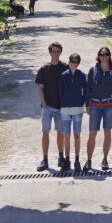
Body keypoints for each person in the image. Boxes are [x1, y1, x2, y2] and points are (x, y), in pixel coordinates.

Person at [83, 46, 112, 172]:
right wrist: (87, 105)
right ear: (98, 56)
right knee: (92, 133)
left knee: (107, 132)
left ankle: (105, 159)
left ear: (109, 56)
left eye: (106, 55)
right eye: (102, 54)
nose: (104, 57)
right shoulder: (93, 70)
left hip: (109, 106)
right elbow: (87, 89)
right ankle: (89, 160)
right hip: (95, 106)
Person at [35, 41, 69, 171]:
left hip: (61, 107)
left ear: (60, 52)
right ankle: (45, 159)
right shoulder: (44, 69)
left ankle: (61, 158)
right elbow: (40, 87)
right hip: (47, 107)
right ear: (50, 52)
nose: (55, 53)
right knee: (45, 132)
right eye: (53, 51)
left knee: (61, 133)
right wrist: (43, 102)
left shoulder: (65, 67)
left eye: (58, 51)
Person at [58, 53, 87, 173]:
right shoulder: (63, 75)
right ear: (69, 62)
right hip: (65, 109)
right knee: (66, 136)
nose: (74, 64)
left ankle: (77, 160)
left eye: (77, 62)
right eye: (73, 61)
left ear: (78, 63)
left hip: (78, 109)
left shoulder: (81, 75)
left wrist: (84, 103)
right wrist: (62, 103)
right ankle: (67, 160)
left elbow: (85, 90)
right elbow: (60, 91)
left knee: (77, 135)